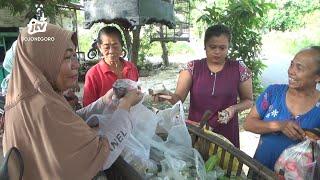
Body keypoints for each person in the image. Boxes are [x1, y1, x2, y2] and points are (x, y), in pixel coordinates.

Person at [3, 23, 142, 179]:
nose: (76, 64)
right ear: (42, 59)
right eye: (67, 57)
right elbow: (100, 156)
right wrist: (125, 106)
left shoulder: (38, 96)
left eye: (75, 55)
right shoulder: (42, 107)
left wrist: (104, 100)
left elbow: (72, 119)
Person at [152, 24, 253, 148]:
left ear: (228, 48)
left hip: (227, 134)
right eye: (212, 47)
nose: (217, 52)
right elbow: (178, 99)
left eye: (222, 48)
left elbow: (248, 101)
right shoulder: (192, 68)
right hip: (197, 131)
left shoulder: (239, 69)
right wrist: (166, 95)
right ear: (205, 46)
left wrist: (233, 109)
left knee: (225, 165)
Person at [244, 46, 320, 170]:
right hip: (260, 170)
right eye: (291, 65)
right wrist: (279, 125)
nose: (291, 71)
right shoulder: (273, 93)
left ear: (317, 77)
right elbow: (248, 124)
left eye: (299, 68)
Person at [83, 26, 139, 107]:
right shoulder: (93, 74)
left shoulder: (131, 68)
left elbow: (136, 94)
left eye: (115, 46)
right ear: (100, 47)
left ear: (121, 45)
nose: (111, 51)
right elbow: (87, 109)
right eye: (106, 47)